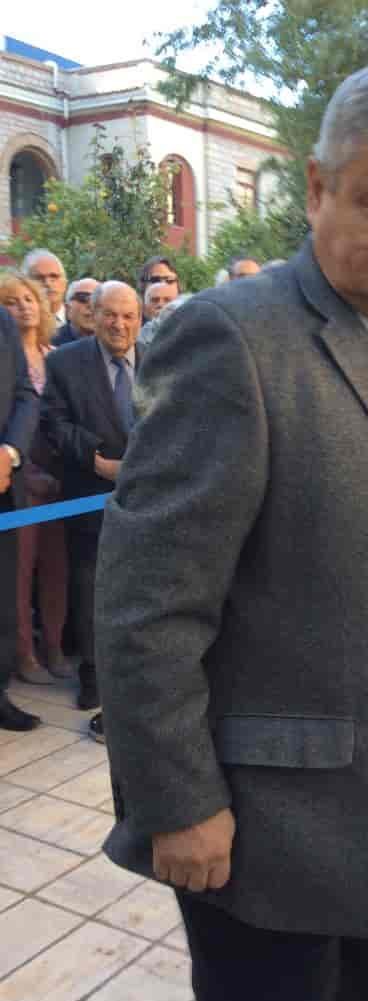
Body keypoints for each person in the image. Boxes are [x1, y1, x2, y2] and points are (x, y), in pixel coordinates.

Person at [95, 59, 368, 1001]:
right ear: (318, 188)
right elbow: (146, 606)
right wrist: (178, 802)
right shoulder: (231, 341)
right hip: (263, 837)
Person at [43, 282, 142, 737]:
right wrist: (96, 460)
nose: (119, 324)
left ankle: (137, 670)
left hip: (148, 496)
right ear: (93, 314)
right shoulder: (64, 363)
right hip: (90, 490)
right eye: (110, 314)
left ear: (139, 319)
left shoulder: (160, 358)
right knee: (90, 586)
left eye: (129, 316)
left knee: (141, 588)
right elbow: (54, 422)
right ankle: (92, 672)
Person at [0, 273, 71, 685]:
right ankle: (23, 654)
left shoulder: (57, 355)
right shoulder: (9, 357)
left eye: (28, 299)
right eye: (12, 301)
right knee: (18, 572)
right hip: (17, 479)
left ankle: (55, 647)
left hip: (57, 480)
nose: (23, 307)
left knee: (56, 566)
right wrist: (19, 466)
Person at [0, 305, 40, 731]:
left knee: (2, 601)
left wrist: (9, 453)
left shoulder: (2, 321)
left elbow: (25, 395)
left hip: (2, 487)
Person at [21, 249, 68, 326]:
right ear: (24, 284)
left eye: (54, 276)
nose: (47, 283)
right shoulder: (12, 322)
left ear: (65, 282)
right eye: (39, 278)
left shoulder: (79, 318)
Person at [52, 278, 100, 346]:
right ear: (68, 308)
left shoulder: (112, 343)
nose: (90, 305)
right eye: (83, 298)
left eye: (97, 300)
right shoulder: (50, 343)